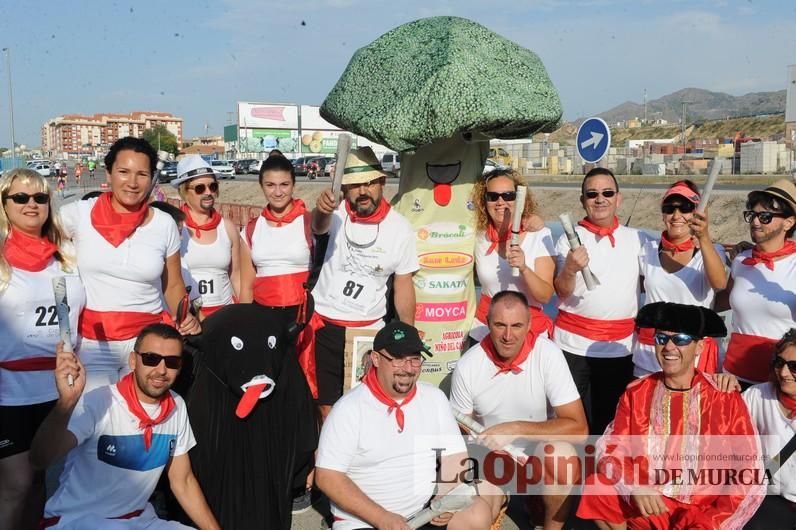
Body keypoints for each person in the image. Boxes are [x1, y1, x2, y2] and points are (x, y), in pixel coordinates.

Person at [576, 302, 765, 530]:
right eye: (661, 339)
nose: (669, 347)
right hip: (650, 502)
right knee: (598, 488)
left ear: (700, 347)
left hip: (701, 512)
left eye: (681, 339)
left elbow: (750, 472)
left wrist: (713, 522)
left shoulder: (724, 396)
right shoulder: (637, 392)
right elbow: (611, 449)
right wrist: (634, 486)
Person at [315, 321, 504, 530]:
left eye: (415, 359)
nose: (407, 368)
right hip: (366, 521)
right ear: (375, 359)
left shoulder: (434, 397)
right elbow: (327, 477)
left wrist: (445, 497)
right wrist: (382, 518)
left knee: (478, 512)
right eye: (397, 359)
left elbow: (454, 457)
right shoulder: (348, 409)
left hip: (424, 512)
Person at [29, 324, 220, 529]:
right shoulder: (99, 401)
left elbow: (183, 482)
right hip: (77, 520)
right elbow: (40, 459)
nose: (162, 370)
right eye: (151, 359)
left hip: (138, 520)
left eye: (172, 362)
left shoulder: (177, 406)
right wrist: (65, 404)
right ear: (132, 361)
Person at [59, 137, 199, 391]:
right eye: (124, 172)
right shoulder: (78, 214)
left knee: (143, 420)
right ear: (109, 172)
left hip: (149, 345)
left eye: (142, 174)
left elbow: (173, 285)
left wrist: (186, 316)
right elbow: (31, 231)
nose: (133, 183)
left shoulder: (164, 224)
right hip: (94, 344)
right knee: (95, 421)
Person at [450, 291, 587, 530]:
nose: (507, 335)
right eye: (499, 325)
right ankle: (502, 502)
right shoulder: (468, 365)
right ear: (487, 324)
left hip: (538, 456)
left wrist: (513, 429)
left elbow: (579, 429)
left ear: (530, 325)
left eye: (517, 326)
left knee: (561, 456)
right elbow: (460, 438)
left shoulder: (548, 354)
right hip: (492, 460)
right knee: (473, 516)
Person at [0, 169, 86, 529]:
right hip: (9, 392)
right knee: (16, 484)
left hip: (55, 388)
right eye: (20, 198)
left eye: (39, 197)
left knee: (39, 481)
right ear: (4, 204)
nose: (31, 205)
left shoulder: (65, 255)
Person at [311, 147, 419, 416]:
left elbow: (404, 286)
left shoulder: (400, 228)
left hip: (369, 331)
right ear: (345, 189)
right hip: (326, 326)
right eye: (355, 184)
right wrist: (322, 209)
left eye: (370, 183)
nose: (363, 191)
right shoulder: (334, 214)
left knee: (367, 408)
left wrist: (407, 336)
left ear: (382, 183)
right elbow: (318, 225)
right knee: (326, 410)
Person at [552, 168, 649, 434]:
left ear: (618, 198)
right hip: (573, 347)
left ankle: (604, 474)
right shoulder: (567, 240)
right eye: (592, 194)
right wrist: (570, 268)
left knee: (611, 423)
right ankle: (574, 473)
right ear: (582, 200)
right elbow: (560, 291)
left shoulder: (637, 239)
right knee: (573, 425)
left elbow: (668, 262)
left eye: (607, 193)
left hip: (620, 348)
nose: (600, 199)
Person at [633, 180, 727, 376]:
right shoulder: (647, 250)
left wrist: (703, 238)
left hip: (692, 355)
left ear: (697, 212)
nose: (676, 216)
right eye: (669, 208)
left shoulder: (711, 250)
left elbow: (719, 283)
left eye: (685, 208)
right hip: (651, 354)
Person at [717, 179, 796, 387]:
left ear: (789, 222)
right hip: (733, 377)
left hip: (780, 380)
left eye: (765, 216)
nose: (755, 222)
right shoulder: (741, 260)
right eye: (752, 215)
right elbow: (722, 301)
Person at [469, 169, 556, 342]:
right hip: (484, 331)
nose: (500, 202)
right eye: (493, 196)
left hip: (527, 332)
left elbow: (545, 296)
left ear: (520, 199)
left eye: (508, 195)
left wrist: (524, 268)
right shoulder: (478, 237)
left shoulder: (539, 235)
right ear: (484, 202)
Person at [172, 155, 239, 316]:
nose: (208, 193)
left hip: (224, 314)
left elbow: (236, 275)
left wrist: (242, 314)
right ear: (184, 191)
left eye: (213, 186)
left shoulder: (228, 227)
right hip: (189, 317)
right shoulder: (173, 228)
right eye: (200, 188)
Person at [742, 329, 796, 529]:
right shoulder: (758, 395)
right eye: (779, 363)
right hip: (769, 498)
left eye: (794, 367)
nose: (783, 373)